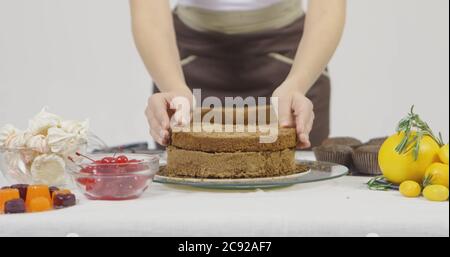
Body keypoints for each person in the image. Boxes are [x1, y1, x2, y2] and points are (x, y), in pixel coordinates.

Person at [130, 0, 346, 148]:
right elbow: (149, 11)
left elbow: (328, 7)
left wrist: (298, 83)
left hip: (294, 64)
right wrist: (173, 87)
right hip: (184, 69)